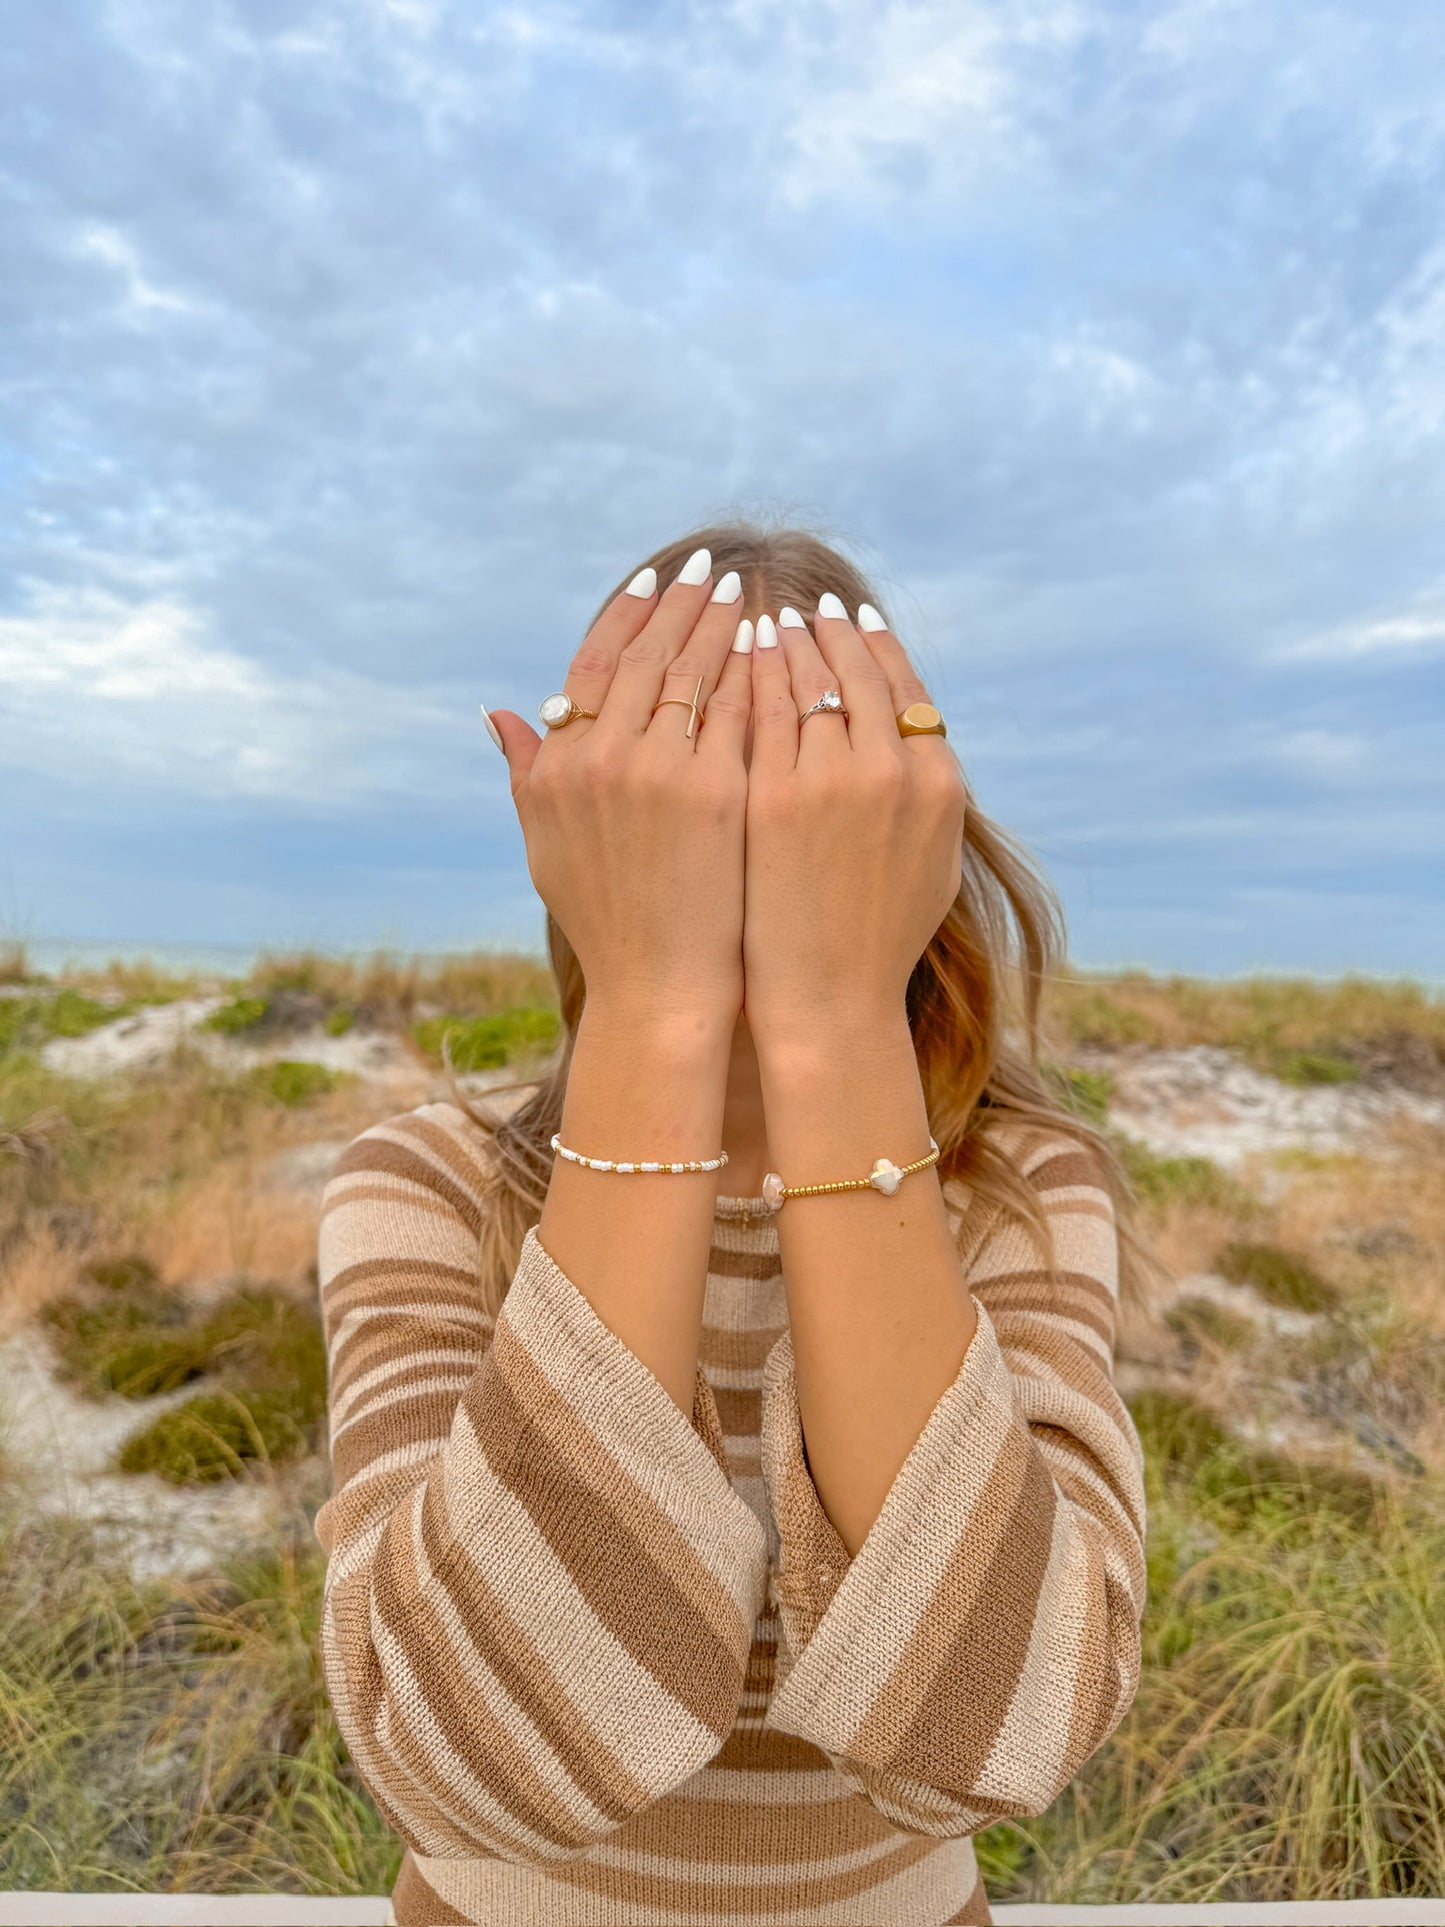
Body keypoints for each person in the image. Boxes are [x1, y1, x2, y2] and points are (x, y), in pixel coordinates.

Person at [314, 521, 1152, 1927]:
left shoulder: (1021, 1191)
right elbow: (463, 1762)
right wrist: (653, 1012)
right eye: (677, 792)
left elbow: (1001, 1731)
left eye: (815, 796)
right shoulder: (429, 1184)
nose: (745, 847)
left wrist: (828, 1028)